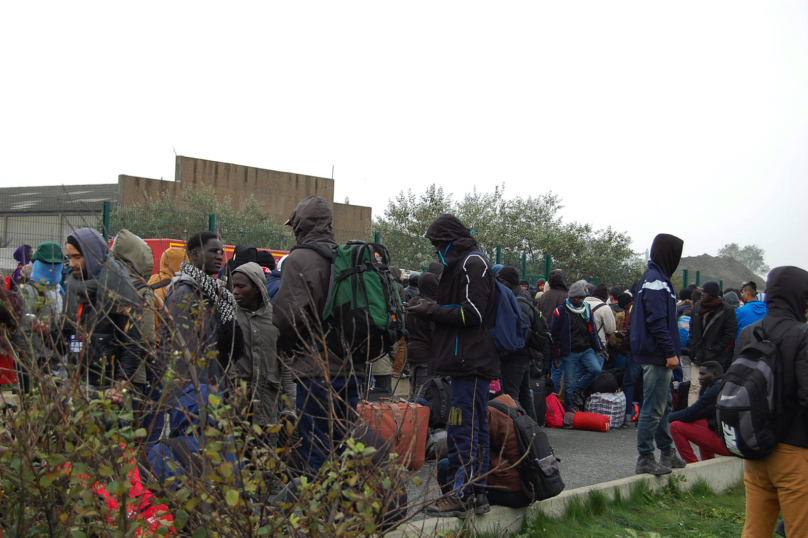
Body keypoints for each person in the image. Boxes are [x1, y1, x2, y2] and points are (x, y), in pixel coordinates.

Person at [408, 214, 497, 517]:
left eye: (437, 244)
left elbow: (473, 313)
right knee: (475, 429)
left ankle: (460, 495)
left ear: (449, 241)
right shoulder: (464, 263)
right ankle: (478, 493)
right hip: (467, 362)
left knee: (463, 429)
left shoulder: (473, 263)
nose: (436, 250)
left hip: (470, 362)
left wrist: (431, 309)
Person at [273, 196, 358, 473]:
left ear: (300, 224)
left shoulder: (298, 259)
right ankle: (343, 506)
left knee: (316, 443)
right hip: (349, 366)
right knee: (344, 443)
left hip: (315, 367)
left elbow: (288, 317)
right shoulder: (345, 255)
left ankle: (319, 511)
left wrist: (283, 347)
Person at [734, 266, 808, 537]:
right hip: (794, 450)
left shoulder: (748, 332)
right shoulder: (802, 333)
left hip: (755, 448)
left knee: (755, 529)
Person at [160, 231, 245, 406]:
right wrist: (198, 395)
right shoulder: (184, 293)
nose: (219, 256)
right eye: (214, 251)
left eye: (221, 252)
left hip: (213, 388)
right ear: (195, 254)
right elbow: (184, 351)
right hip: (194, 395)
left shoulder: (213, 293)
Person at [62, 228, 146, 403]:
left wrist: (120, 386)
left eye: (77, 257)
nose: (71, 263)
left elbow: (133, 342)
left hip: (107, 391)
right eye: (69, 258)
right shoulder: (72, 287)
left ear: (92, 255)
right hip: (76, 387)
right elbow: (64, 337)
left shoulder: (118, 286)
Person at [631, 233, 687, 475]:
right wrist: (669, 352)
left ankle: (666, 452)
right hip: (657, 355)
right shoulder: (656, 280)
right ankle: (645, 457)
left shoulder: (658, 279)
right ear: (669, 254)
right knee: (653, 407)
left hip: (659, 354)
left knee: (664, 408)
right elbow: (657, 322)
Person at [436, 389, 532, 512]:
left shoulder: (488, 412)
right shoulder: (512, 404)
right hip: (527, 488)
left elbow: (465, 449)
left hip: (512, 492)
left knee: (444, 465)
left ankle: (457, 507)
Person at [231, 262, 294, 432]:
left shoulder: (276, 319)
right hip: (235, 406)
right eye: (233, 286)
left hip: (268, 407)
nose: (235, 291)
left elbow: (286, 365)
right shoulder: (229, 318)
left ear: (257, 286)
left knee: (266, 454)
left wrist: (290, 405)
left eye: (241, 286)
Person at [548, 280, 604, 410]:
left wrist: (601, 347)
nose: (580, 300)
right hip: (570, 352)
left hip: (586, 349)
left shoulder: (587, 309)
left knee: (596, 370)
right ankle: (568, 409)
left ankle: (576, 390)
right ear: (571, 297)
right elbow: (554, 335)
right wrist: (555, 356)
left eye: (582, 298)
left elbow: (593, 331)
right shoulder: (560, 312)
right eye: (578, 298)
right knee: (568, 383)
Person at [17, 242, 65, 390]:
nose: (52, 269)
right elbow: (22, 332)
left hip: (53, 360)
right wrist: (36, 360)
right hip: (35, 362)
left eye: (56, 265)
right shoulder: (29, 292)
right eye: (47, 264)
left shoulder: (58, 292)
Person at [496, 266, 539, 421]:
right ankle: (533, 432)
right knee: (524, 394)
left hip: (516, 355)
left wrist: (506, 352)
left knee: (511, 396)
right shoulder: (521, 296)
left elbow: (523, 333)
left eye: (500, 281)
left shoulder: (519, 301)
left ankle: (515, 432)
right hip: (522, 355)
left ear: (508, 283)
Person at [668, 361, 730, 464]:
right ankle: (708, 461)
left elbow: (691, 412)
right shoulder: (722, 383)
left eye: (703, 374)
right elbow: (696, 414)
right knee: (701, 419)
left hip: (729, 446)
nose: (699, 377)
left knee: (675, 426)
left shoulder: (715, 389)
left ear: (714, 375)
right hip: (732, 440)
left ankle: (692, 465)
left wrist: (667, 418)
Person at [688, 281, 738, 372]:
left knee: (713, 384)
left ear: (713, 294)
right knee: (695, 385)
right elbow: (692, 326)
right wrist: (691, 343)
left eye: (705, 292)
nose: (702, 294)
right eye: (702, 291)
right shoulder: (697, 307)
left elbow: (730, 333)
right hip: (697, 356)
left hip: (716, 359)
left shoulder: (726, 310)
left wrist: (717, 349)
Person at [405, 271, 438, 399]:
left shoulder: (413, 302)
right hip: (426, 353)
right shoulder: (430, 307)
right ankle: (419, 417)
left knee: (412, 389)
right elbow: (434, 333)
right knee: (422, 392)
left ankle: (408, 416)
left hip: (412, 350)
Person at [585, 283, 617, 353]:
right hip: (598, 345)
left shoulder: (582, 304)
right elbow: (611, 329)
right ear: (605, 298)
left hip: (582, 344)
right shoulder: (605, 308)